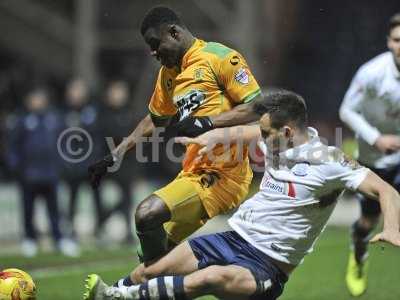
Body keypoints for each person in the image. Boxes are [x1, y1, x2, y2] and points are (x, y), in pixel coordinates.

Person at [83, 89, 400, 300]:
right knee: (151, 270)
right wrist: (207, 139)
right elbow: (239, 132)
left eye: (265, 133)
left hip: (266, 267)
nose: (259, 139)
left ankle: (120, 297)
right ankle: (111, 294)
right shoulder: (274, 138)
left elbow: (386, 189)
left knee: (209, 278)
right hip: (233, 238)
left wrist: (391, 228)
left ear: (287, 132)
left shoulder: (330, 162)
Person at [88, 5, 262, 274]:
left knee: (146, 213)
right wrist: (117, 153)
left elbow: (258, 107)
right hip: (192, 171)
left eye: (156, 44)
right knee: (152, 258)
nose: (153, 52)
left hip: (225, 174)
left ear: (174, 32)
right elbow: (154, 119)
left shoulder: (220, 58)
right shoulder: (168, 75)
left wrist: (209, 122)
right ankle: (212, 280)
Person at [339, 13, 400, 297]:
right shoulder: (372, 73)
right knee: (368, 222)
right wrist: (377, 137)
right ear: (389, 42)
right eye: (398, 40)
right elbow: (347, 110)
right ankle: (359, 254)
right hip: (375, 157)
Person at [5, 87, 76, 257]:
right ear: (29, 101)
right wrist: (16, 166)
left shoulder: (54, 118)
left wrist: (63, 163)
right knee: (28, 209)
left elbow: (64, 140)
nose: (38, 102)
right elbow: (12, 146)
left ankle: (58, 239)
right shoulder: (21, 120)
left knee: (54, 210)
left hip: (50, 174)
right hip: (29, 175)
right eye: (34, 98)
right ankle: (30, 239)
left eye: (40, 98)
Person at [62, 78, 104, 242]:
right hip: (72, 166)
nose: (76, 95)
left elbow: (98, 138)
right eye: (73, 91)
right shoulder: (63, 113)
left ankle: (99, 230)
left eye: (78, 91)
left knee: (97, 198)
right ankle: (70, 230)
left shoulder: (92, 112)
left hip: (91, 165)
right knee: (72, 199)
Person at [98, 80, 138, 244]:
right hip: (109, 163)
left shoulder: (130, 113)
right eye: (115, 92)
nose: (118, 96)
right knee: (103, 197)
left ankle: (127, 231)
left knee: (127, 200)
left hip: (127, 164)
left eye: (121, 92)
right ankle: (101, 222)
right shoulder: (103, 115)